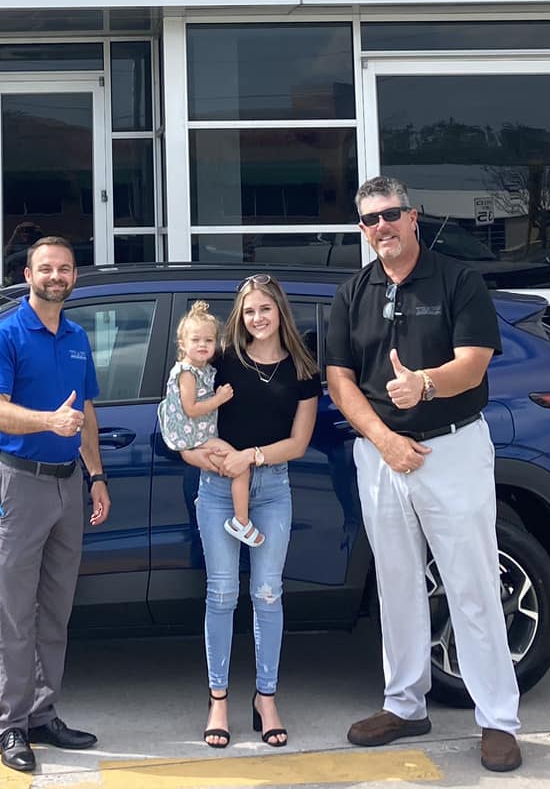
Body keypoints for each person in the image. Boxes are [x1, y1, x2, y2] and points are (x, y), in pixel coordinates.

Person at [325, 175, 522, 774]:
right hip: (381, 455)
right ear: (362, 230)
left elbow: (474, 364)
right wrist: (384, 439)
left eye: (391, 215)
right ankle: (405, 705)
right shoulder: (352, 293)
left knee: (472, 584)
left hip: (451, 450)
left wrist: (425, 385)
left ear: (413, 217)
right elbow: (340, 380)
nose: (381, 227)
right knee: (396, 584)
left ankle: (498, 720)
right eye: (370, 220)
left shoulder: (458, 281)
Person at [0, 236, 112, 775]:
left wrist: (96, 476)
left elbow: (87, 413)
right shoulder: (6, 335)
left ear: (74, 276)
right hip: (21, 483)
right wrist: (48, 421)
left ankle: (42, 714)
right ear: (28, 275)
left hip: (68, 484)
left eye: (65, 269)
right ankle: (11, 724)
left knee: (56, 608)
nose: (57, 276)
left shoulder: (77, 337)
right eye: (47, 268)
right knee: (16, 610)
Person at [182, 274, 319, 752]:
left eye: (265, 308)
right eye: (249, 311)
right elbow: (185, 414)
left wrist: (252, 457)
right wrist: (203, 457)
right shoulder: (221, 359)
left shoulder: (303, 368)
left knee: (267, 593)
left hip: (273, 488)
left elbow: (298, 443)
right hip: (218, 487)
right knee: (221, 593)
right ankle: (218, 699)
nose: (257, 318)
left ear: (280, 310)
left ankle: (266, 698)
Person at [158, 301, 261, 547]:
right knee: (240, 466)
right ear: (182, 344)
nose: (202, 345)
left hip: (199, 436)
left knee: (227, 465)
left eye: (208, 340)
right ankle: (241, 521)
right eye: (196, 340)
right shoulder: (187, 373)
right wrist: (219, 399)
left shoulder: (203, 369)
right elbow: (191, 408)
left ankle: (211, 507)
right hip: (195, 436)